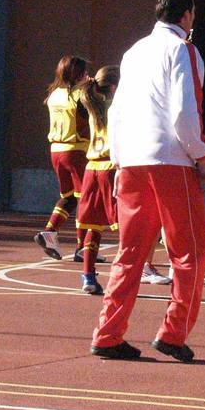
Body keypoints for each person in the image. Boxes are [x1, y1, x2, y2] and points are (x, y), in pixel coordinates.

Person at [90, 0, 205, 361]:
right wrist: (202, 157)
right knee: (191, 251)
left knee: (130, 251)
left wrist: (118, 158)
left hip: (132, 160)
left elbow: (117, 111)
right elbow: (185, 111)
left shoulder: (133, 52)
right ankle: (173, 332)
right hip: (171, 160)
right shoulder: (183, 49)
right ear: (187, 14)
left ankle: (108, 333)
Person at [34, 54, 90, 261]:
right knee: (85, 198)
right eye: (84, 71)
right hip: (76, 150)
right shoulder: (80, 96)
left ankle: (50, 232)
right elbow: (92, 117)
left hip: (57, 150)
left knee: (69, 196)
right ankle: (83, 247)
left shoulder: (54, 94)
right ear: (78, 73)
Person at [75, 65, 120, 296]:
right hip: (111, 168)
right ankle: (129, 272)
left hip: (92, 168)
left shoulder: (92, 105)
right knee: (126, 224)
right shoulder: (118, 106)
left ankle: (88, 275)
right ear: (113, 86)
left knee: (93, 226)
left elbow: (80, 96)